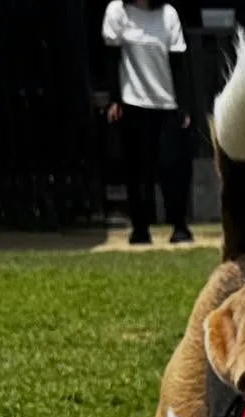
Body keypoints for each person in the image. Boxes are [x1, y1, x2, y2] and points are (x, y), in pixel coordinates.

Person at [102, 1, 193, 245]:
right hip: (133, 100)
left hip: (166, 102)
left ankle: (179, 225)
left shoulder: (168, 14)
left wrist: (183, 105)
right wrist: (114, 100)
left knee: (171, 165)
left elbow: (178, 62)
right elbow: (112, 57)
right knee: (137, 170)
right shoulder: (117, 12)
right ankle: (140, 229)